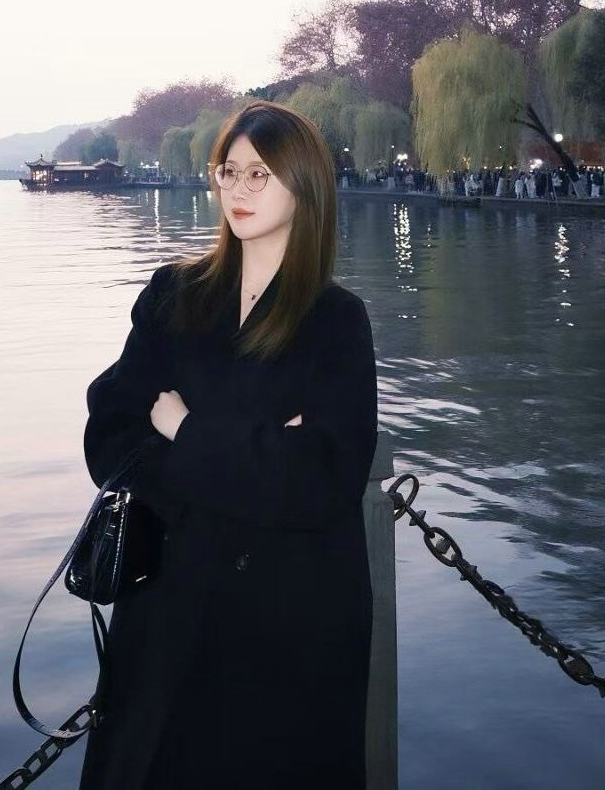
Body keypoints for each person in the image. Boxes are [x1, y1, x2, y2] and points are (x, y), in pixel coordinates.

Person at [78, 99, 378, 790]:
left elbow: (326, 480)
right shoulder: (174, 293)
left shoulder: (336, 320)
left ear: (304, 186)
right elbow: (109, 431)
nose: (238, 189)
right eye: (228, 171)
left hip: (287, 618)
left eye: (259, 174)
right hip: (168, 603)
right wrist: (259, 454)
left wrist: (185, 430)